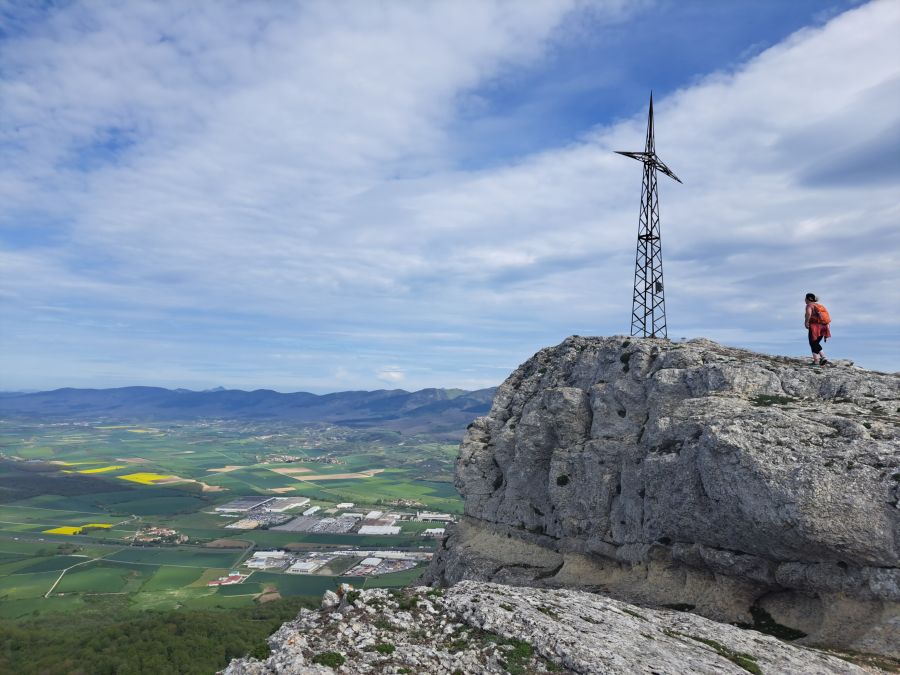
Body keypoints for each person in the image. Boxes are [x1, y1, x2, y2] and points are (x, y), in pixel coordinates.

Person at [804, 292, 831, 365]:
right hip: (824, 326)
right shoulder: (820, 306)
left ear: (808, 299)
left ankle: (820, 358)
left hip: (815, 326)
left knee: (812, 342)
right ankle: (818, 360)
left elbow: (809, 314)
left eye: (805, 298)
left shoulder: (809, 305)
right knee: (815, 343)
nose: (804, 300)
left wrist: (806, 322)